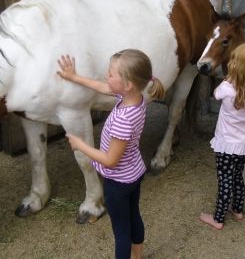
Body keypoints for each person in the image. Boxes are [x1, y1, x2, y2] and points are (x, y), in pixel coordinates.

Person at [56, 49, 165, 259]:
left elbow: (110, 160)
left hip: (118, 182)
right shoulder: (135, 97)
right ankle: (137, 256)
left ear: (127, 85)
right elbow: (102, 87)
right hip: (134, 172)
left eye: (110, 73)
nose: (106, 76)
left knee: (121, 230)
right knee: (134, 216)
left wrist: (80, 144)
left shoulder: (124, 118)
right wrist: (73, 77)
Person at [199, 44, 245, 230]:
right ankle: (237, 209)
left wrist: (229, 78)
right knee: (238, 178)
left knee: (224, 182)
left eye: (234, 61)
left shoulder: (227, 88)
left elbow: (215, 93)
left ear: (236, 67)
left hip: (226, 145)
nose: (231, 63)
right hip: (244, 144)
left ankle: (218, 219)